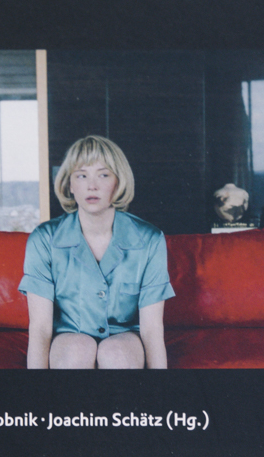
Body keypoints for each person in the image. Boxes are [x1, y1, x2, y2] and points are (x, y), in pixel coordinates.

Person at [19, 135, 173, 369]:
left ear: (118, 182)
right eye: (82, 175)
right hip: (69, 337)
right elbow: (40, 327)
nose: (92, 186)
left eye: (103, 175)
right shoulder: (43, 239)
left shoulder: (150, 240)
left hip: (125, 339)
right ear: (70, 184)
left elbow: (152, 328)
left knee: (115, 354)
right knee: (77, 350)